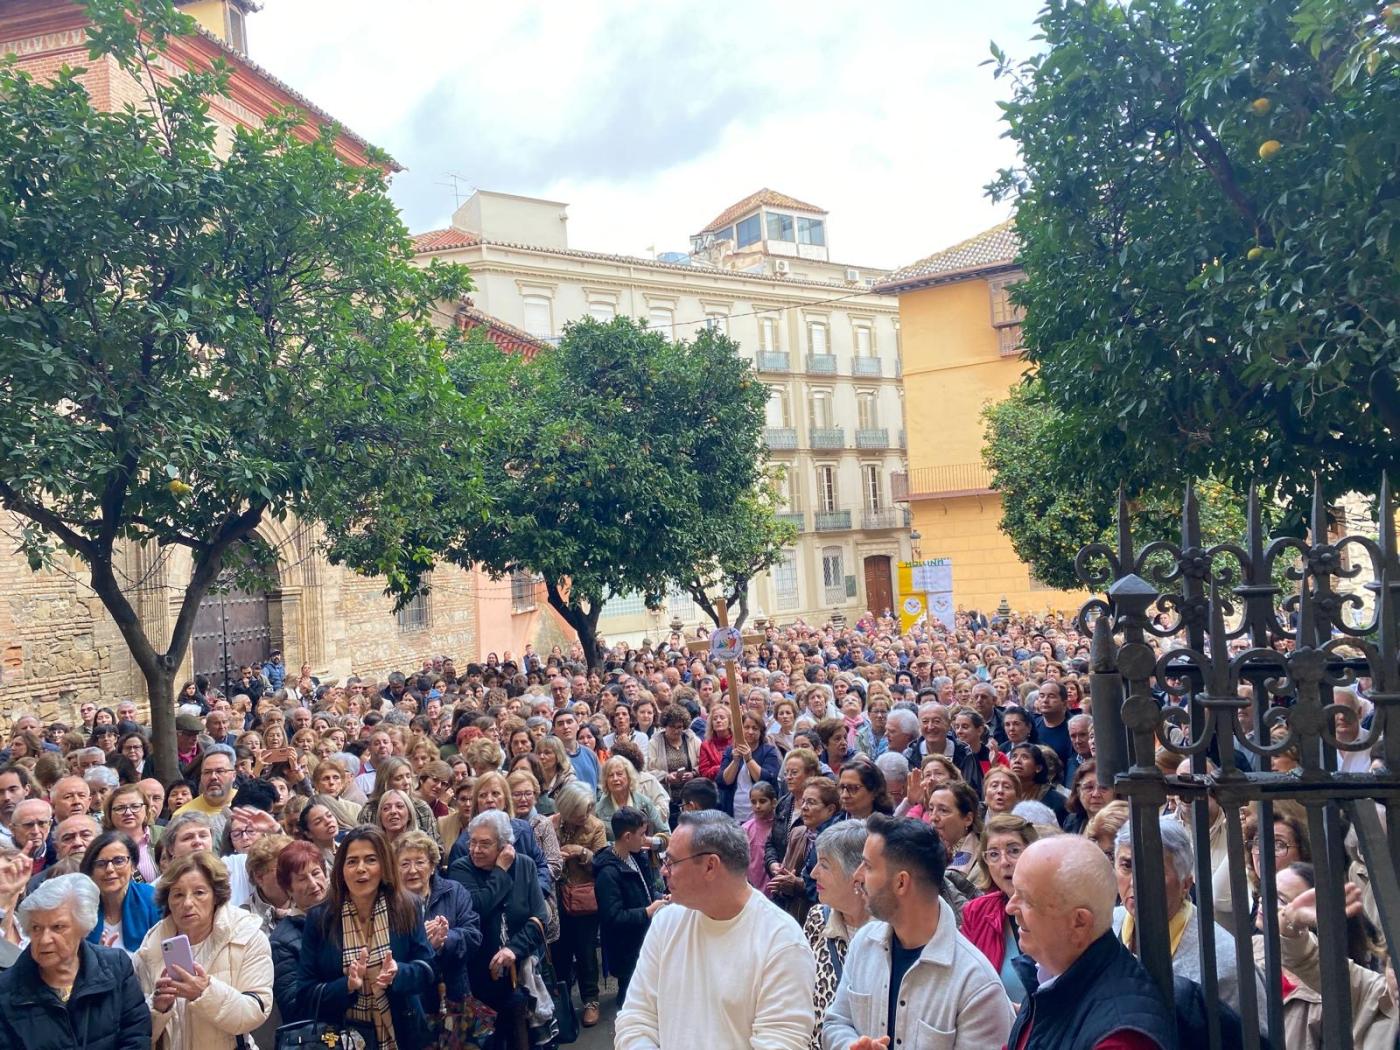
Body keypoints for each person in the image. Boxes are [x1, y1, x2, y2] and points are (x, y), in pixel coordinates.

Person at [615, 811, 816, 1050]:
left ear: (710, 866)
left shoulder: (782, 943)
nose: (663, 871)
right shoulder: (666, 921)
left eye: (671, 861)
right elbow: (636, 1018)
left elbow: (782, 1042)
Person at [822, 814, 1013, 1049]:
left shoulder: (976, 983)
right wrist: (850, 1045)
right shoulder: (863, 942)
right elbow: (836, 1022)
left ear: (901, 883)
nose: (858, 875)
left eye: (868, 866)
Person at [1005, 835, 1178, 1050]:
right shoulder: (1052, 975)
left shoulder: (1120, 1041)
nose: (1010, 908)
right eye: (1014, 892)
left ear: (1079, 923)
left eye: (1027, 900)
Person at [1112, 818, 1266, 1034]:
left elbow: (1256, 1039)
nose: (1135, 881)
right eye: (1127, 866)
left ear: (1186, 884)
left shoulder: (1226, 961)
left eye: (1154, 869)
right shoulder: (1106, 926)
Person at [296, 827, 437, 1049]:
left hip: (402, 1031)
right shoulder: (321, 917)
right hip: (341, 1037)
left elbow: (427, 969)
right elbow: (304, 991)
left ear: (384, 866)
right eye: (352, 861)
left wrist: (398, 972)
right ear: (341, 869)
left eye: (370, 860)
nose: (361, 869)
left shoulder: (407, 905)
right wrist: (347, 986)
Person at [134, 850, 273, 1050]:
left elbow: (254, 1012)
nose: (187, 903)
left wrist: (205, 992)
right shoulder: (150, 947)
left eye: (199, 892)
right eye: (178, 895)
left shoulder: (247, 935)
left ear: (216, 896)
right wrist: (157, 1008)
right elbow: (135, 1032)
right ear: (168, 900)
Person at [0, 873, 151, 1050]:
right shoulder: (6, 991)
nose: (44, 939)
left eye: (58, 927)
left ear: (83, 926)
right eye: (36, 928)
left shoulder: (116, 967)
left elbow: (136, 1036)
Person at [446, 811, 548, 1050]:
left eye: (485, 844)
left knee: (520, 1036)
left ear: (505, 846)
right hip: (478, 973)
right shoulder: (461, 869)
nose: (476, 849)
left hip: (518, 971)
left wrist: (514, 949)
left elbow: (539, 917)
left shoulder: (525, 865)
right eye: (472, 842)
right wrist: (500, 871)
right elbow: (478, 907)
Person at [393, 829, 481, 1025]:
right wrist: (423, 943)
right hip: (413, 1000)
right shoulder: (390, 903)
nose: (412, 870)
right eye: (405, 864)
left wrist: (445, 940)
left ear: (432, 866)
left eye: (420, 862)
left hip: (455, 993)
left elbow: (473, 935)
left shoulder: (454, 891)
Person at [959, 813, 1040, 1005]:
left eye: (1013, 850)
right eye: (993, 854)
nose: (1004, 862)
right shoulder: (976, 912)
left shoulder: (1058, 908)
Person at [804, 820, 871, 1050]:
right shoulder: (816, 918)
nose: (813, 874)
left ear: (857, 874)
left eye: (824, 865)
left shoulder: (890, 932)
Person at [593, 805, 667, 1006]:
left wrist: (660, 898)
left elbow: (645, 889)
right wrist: (647, 911)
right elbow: (613, 917)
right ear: (627, 837)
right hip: (625, 947)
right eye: (642, 835)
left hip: (643, 939)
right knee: (629, 998)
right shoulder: (607, 873)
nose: (646, 840)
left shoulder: (636, 856)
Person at [550, 779, 607, 1027]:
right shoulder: (549, 824)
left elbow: (603, 865)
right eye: (579, 813)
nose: (585, 816)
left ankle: (591, 1000)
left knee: (585, 952)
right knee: (560, 952)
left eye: (587, 811)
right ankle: (561, 1004)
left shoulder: (595, 826)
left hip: (584, 898)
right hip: (556, 896)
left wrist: (582, 853)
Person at [269, 840, 328, 1024]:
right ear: (289, 889)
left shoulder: (348, 916)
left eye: (316, 873)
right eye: (302, 879)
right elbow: (293, 1007)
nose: (313, 884)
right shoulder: (281, 942)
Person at [80, 830, 159, 955]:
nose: (110, 869)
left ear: (133, 866)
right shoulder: (80, 907)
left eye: (119, 861)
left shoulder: (152, 899)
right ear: (91, 871)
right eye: (101, 864)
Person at [718, 712, 782, 822]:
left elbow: (765, 780)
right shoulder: (730, 751)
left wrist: (748, 759)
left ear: (761, 732)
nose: (750, 732)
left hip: (759, 812)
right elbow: (723, 781)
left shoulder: (769, 751)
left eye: (755, 728)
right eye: (746, 727)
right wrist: (735, 761)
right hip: (734, 810)